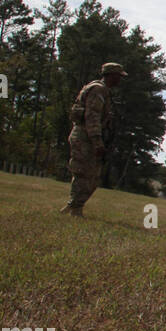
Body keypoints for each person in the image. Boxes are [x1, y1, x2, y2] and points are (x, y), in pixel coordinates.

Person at [61, 62, 127, 217]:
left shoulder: (101, 90)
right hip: (86, 137)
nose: (120, 80)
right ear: (112, 75)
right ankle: (74, 208)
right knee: (84, 174)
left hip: (87, 136)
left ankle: (74, 207)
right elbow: (92, 117)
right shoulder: (98, 90)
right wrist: (97, 142)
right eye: (119, 76)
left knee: (91, 175)